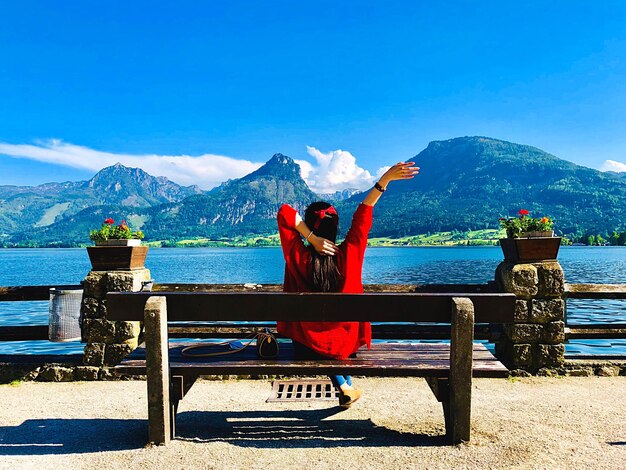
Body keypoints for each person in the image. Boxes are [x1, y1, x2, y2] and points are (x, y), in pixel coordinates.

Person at [276, 161, 420, 408]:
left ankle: (344, 386)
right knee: (338, 345)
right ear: (337, 227)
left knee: (314, 341)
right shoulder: (351, 253)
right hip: (347, 345)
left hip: (305, 346)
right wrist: (384, 180)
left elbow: (284, 212)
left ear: (311, 227)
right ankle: (345, 385)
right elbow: (364, 212)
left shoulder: (298, 256)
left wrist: (309, 236)